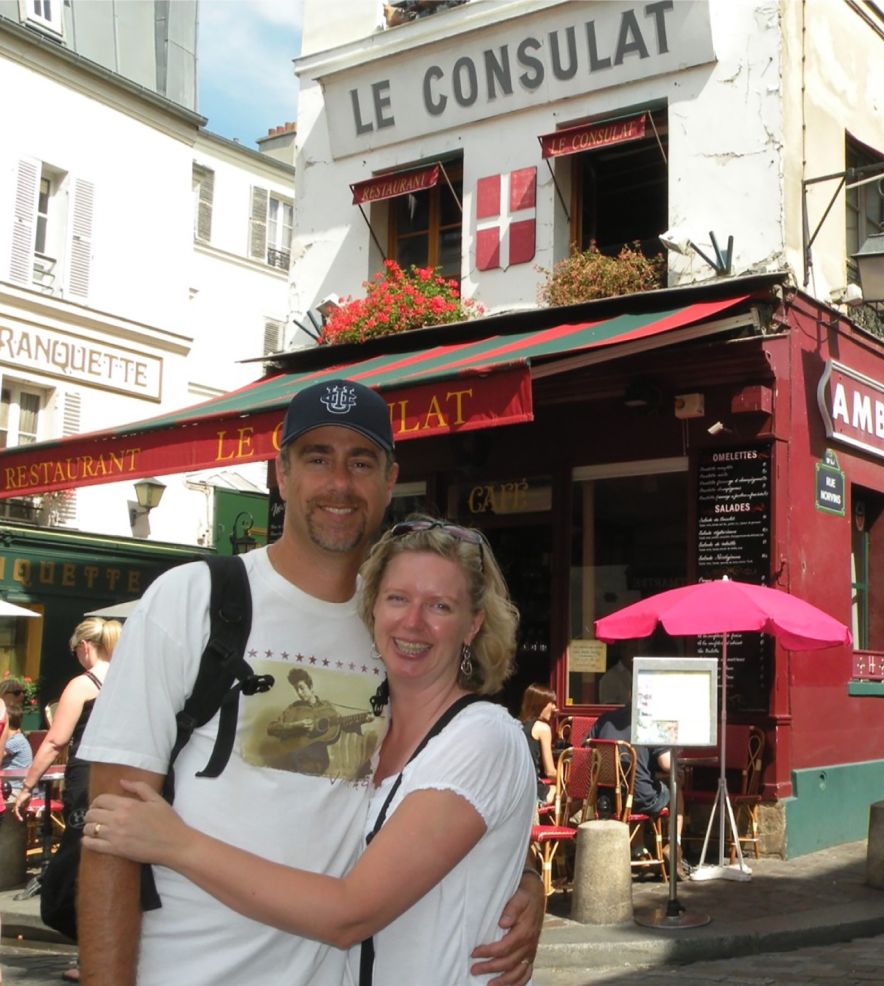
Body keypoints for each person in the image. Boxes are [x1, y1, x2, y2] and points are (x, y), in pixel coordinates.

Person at [76, 379, 542, 986]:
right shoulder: (194, 599)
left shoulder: (393, 633)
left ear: (388, 478)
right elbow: (112, 828)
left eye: (361, 461)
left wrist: (521, 875)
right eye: (317, 457)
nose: (339, 484)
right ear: (281, 473)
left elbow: (437, 789)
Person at [14, 616, 121, 983]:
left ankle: (92, 954)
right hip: (127, 779)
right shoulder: (130, 678)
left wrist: (27, 786)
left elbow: (55, 742)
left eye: (76, 650)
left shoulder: (83, 684)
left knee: (73, 869)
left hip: (89, 780)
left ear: (85, 647)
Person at [587, 703, 685, 875]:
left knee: (635, 787)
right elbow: (667, 764)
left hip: (607, 800)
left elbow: (587, 753)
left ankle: (639, 851)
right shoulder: (652, 723)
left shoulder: (605, 719)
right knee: (674, 786)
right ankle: (673, 844)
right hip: (640, 798)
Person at [517, 684, 557, 803]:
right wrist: (569, 779)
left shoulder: (517, 725)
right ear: (541, 704)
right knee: (573, 794)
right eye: (552, 703)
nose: (555, 708)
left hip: (515, 790)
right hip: (532, 791)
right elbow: (550, 772)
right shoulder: (543, 728)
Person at [0, 679, 32, 784]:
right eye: (17, 693)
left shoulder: (16, 739)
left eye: (24, 692)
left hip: (12, 785)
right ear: (3, 693)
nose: (21, 696)